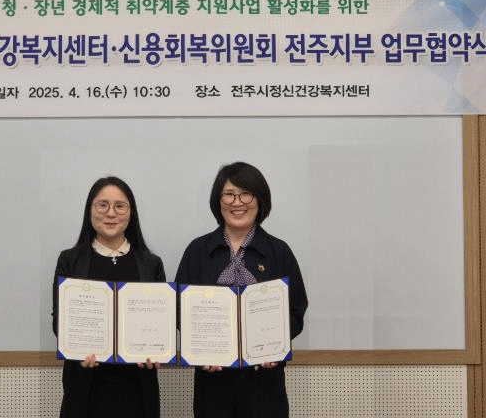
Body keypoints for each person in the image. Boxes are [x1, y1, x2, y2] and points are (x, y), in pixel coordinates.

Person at [175, 162, 308, 418]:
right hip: (212, 383)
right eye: (229, 194)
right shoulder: (198, 251)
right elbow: (179, 309)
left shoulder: (278, 252)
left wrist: (275, 346)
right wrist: (200, 349)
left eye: (246, 194)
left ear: (260, 200)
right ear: (218, 201)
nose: (237, 203)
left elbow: (295, 311)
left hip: (264, 383)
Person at [52, 177, 166, 418]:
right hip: (85, 385)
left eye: (120, 206)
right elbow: (59, 323)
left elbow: (160, 326)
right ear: (90, 210)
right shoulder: (70, 261)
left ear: (131, 212)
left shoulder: (151, 264)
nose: (111, 213)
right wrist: (77, 348)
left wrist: (157, 351)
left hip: (138, 387)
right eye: (102, 205)